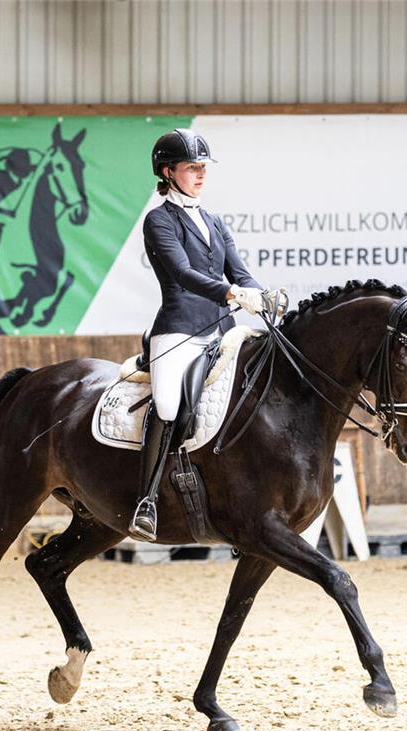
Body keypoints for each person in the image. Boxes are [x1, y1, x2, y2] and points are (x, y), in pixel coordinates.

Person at [129, 129, 267, 542]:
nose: (201, 174)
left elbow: (239, 271)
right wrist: (230, 292)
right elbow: (182, 273)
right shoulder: (159, 221)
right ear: (168, 172)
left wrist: (258, 292)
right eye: (192, 168)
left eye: (203, 167)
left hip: (222, 330)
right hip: (180, 329)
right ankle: (147, 500)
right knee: (169, 405)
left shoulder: (214, 221)